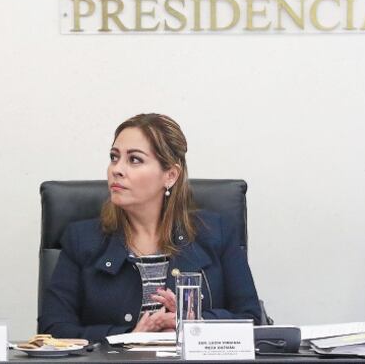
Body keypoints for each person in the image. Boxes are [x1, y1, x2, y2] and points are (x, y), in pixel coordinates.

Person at [39, 113, 262, 341]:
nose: (117, 169)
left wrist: (196, 324)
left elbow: (251, 319)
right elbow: (53, 329)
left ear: (170, 175)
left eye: (134, 160)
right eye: (114, 157)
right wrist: (128, 337)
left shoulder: (217, 233)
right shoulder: (81, 239)